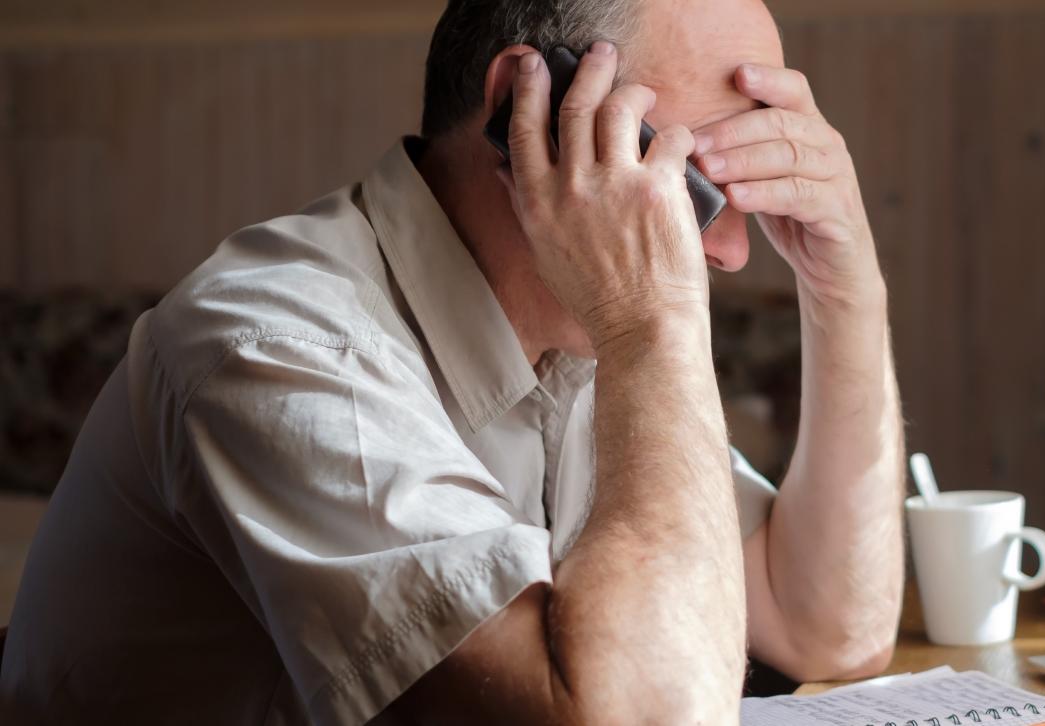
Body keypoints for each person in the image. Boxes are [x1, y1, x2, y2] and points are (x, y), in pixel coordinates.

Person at [0, 0, 905, 723]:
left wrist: (847, 290)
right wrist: (650, 327)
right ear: (529, 106)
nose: (734, 254)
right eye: (696, 183)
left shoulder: (587, 333)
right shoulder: (275, 346)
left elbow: (824, 624)